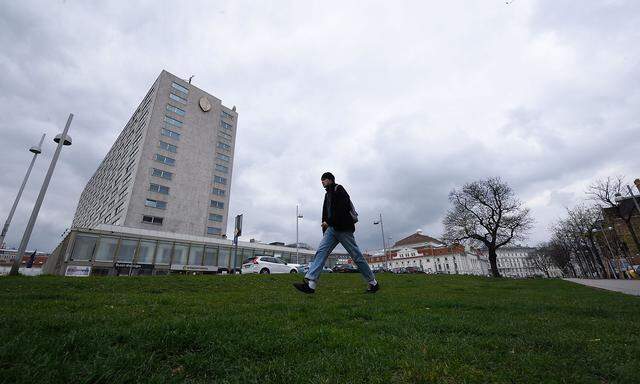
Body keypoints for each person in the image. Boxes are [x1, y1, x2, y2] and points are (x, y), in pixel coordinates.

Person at [293, 172, 379, 294]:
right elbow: (325, 213)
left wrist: (329, 221)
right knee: (321, 252)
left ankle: (373, 283)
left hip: (343, 229)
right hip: (331, 229)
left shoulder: (339, 189)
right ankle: (310, 285)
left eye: (324, 180)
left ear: (330, 180)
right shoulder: (326, 195)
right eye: (321, 180)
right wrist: (325, 227)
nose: (322, 182)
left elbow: (343, 209)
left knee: (356, 256)